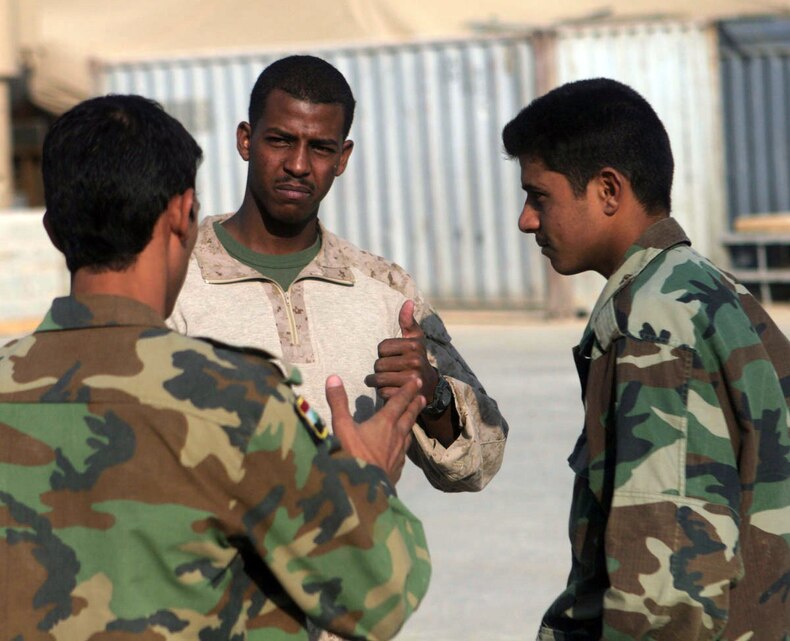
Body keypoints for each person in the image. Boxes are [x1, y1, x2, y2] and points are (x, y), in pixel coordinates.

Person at [0, 94, 432, 641]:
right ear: (183, 216)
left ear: (53, 229)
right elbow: (377, 598)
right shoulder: (237, 401)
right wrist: (367, 478)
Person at [502, 78, 790, 640]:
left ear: (608, 190)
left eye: (540, 197)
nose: (527, 221)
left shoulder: (652, 321)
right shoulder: (711, 289)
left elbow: (667, 580)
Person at [168, 55, 508, 493]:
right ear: (246, 141)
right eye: (280, 141)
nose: (298, 164)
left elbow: (480, 462)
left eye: (321, 148)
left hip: (357, 557)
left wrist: (432, 392)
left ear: (343, 157)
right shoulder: (174, 277)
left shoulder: (384, 289)